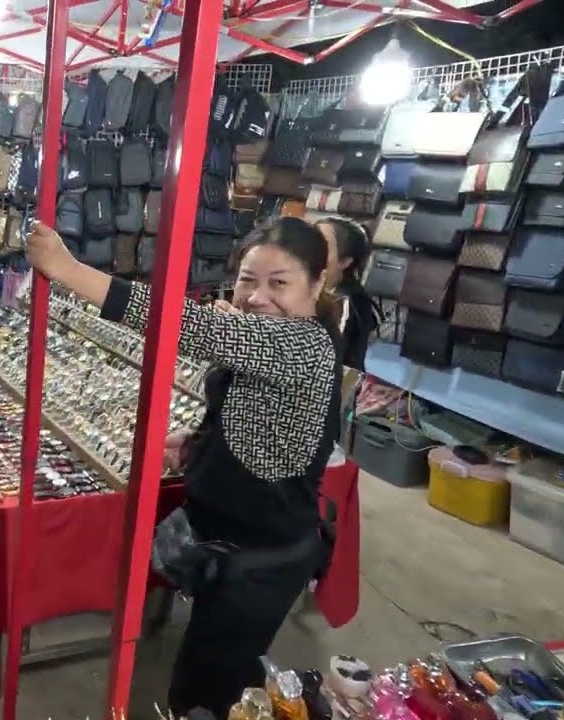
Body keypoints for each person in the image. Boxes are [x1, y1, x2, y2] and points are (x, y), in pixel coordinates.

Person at [24, 217, 340, 718]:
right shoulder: (267, 336)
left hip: (261, 561)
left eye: (279, 283)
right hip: (230, 543)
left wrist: (68, 269)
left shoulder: (301, 345)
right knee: (216, 669)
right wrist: (197, 444)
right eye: (248, 280)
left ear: (318, 284)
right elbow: (249, 412)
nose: (258, 297)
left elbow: (185, 326)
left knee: (205, 693)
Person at [313, 217, 380, 372]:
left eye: (321, 247)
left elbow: (327, 364)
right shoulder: (308, 288)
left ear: (344, 261)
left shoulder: (348, 302)